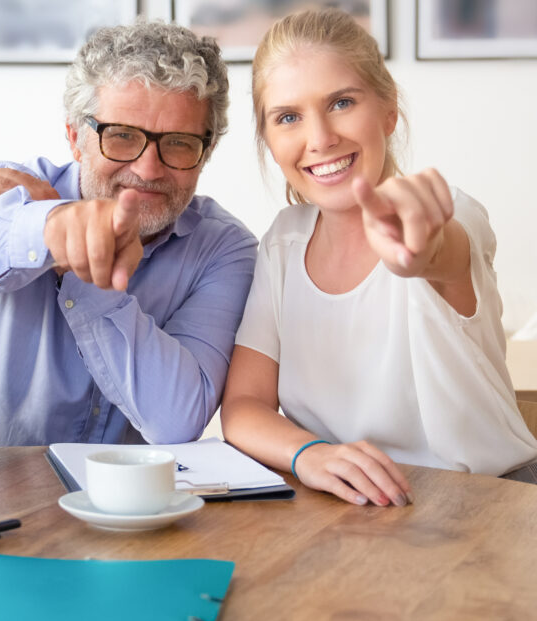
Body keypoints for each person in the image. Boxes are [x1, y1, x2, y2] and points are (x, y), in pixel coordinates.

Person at [220, 8, 537, 507]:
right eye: (288, 117)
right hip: (349, 505)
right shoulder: (283, 242)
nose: (320, 137)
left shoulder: (448, 214)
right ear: (269, 141)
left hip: (490, 504)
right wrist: (312, 454)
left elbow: (440, 251)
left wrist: (419, 253)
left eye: (342, 102)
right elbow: (242, 406)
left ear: (388, 110)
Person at [0, 21, 257, 450]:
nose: (148, 169)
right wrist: (56, 225)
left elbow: (176, 420)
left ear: (207, 153)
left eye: (179, 143)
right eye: (122, 136)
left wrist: (88, 273)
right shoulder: (5, 192)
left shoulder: (224, 249)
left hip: (115, 514)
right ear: (75, 137)